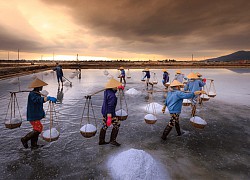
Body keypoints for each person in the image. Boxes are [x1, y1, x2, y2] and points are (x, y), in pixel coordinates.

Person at [21, 78, 57, 149]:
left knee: (36, 129)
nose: (42, 87)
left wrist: (46, 99)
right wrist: (47, 98)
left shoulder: (37, 94)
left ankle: (34, 145)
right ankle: (24, 139)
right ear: (37, 86)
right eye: (41, 86)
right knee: (38, 128)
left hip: (36, 114)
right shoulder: (32, 94)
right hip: (33, 114)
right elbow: (36, 100)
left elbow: (40, 101)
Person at [99, 78, 124, 146]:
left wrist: (119, 88)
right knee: (117, 124)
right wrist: (109, 117)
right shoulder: (113, 97)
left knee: (105, 125)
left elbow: (112, 91)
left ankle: (101, 140)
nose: (117, 87)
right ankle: (112, 140)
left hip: (104, 111)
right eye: (116, 87)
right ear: (113, 87)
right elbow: (110, 106)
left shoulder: (106, 91)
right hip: (109, 113)